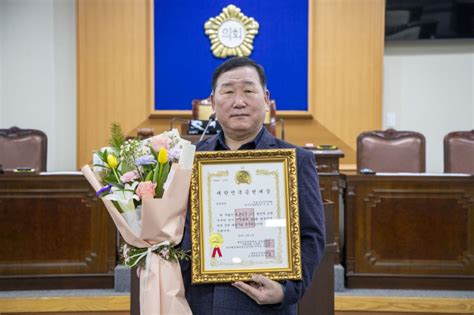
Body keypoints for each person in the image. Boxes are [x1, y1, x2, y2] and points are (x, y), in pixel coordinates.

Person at [180, 57, 325, 314]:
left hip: (264, 304)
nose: (239, 101)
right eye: (227, 92)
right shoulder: (188, 160)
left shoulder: (296, 160)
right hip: (200, 301)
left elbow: (312, 236)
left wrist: (287, 290)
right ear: (213, 103)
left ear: (266, 99)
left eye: (248, 90)